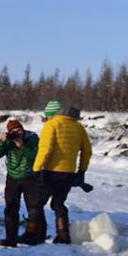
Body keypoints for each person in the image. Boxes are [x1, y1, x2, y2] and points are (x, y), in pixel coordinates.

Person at [32, 98, 93, 245]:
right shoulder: (78, 127)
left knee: (36, 204)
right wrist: (81, 171)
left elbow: (45, 150)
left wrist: (36, 169)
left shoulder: (52, 125)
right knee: (58, 204)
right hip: (68, 173)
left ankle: (36, 234)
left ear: (51, 114)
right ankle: (63, 235)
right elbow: (87, 151)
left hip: (50, 172)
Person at [0, 118, 42, 247]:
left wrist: (22, 146)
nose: (17, 133)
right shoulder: (9, 140)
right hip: (12, 178)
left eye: (19, 130)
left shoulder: (32, 138)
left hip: (29, 177)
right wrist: (2, 142)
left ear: (23, 129)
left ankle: (33, 236)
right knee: (10, 208)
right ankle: (11, 238)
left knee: (33, 208)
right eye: (14, 131)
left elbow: (37, 155)